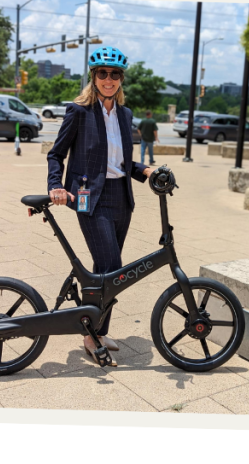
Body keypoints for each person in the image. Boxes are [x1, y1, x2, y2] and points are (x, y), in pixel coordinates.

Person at [46, 46, 154, 366]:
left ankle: (99, 330)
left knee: (107, 270)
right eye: (103, 73)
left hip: (121, 197)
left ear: (121, 79)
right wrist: (55, 185)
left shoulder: (125, 114)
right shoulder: (78, 112)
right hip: (88, 197)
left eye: (115, 74)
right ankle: (90, 336)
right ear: (93, 77)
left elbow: (124, 163)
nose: (109, 79)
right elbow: (56, 154)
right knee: (112, 268)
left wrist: (147, 171)